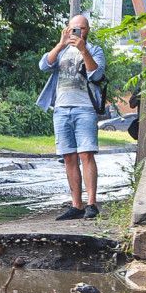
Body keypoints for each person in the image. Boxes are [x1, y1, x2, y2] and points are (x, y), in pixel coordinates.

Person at [37, 13, 107, 220]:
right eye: (73, 28)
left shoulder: (94, 50)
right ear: (67, 29)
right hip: (61, 109)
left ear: (87, 31)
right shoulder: (61, 50)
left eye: (81, 29)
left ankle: (91, 204)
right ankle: (76, 205)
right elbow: (44, 65)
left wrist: (83, 50)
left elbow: (97, 74)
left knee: (86, 154)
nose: (76, 32)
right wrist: (60, 44)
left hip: (84, 108)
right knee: (68, 157)